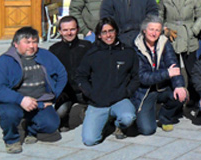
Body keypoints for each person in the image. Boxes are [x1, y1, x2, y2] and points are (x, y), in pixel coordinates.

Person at [0, 27, 67, 154]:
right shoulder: (3, 61)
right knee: (10, 114)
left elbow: (62, 73)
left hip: (39, 102)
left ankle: (31, 129)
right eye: (27, 42)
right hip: (14, 103)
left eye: (34, 42)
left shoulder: (45, 55)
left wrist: (53, 97)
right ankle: (11, 139)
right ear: (16, 44)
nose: (32, 46)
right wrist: (20, 99)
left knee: (52, 124)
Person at [76, 18, 139, 146]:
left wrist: (127, 91)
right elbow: (80, 76)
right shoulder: (92, 53)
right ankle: (100, 121)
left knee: (128, 118)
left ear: (116, 32)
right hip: (98, 101)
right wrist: (90, 93)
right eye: (104, 32)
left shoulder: (127, 52)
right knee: (90, 140)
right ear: (99, 35)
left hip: (119, 99)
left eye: (111, 31)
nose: (108, 35)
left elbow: (136, 76)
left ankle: (118, 125)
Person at [158, 0, 201, 110]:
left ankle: (194, 98)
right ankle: (174, 101)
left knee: (192, 71)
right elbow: (160, 15)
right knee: (173, 69)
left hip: (188, 35)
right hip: (171, 36)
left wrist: (193, 30)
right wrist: (164, 29)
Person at [132, 15, 187, 135]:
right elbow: (143, 77)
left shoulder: (164, 43)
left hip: (162, 87)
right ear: (144, 30)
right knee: (147, 130)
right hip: (145, 91)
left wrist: (179, 86)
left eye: (157, 30)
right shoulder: (136, 46)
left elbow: (174, 66)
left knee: (182, 94)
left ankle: (165, 118)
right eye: (151, 29)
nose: (154, 33)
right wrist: (167, 73)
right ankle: (140, 115)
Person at [49, 16, 92, 132]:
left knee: (94, 119)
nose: (69, 33)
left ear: (77, 29)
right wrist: (58, 91)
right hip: (66, 92)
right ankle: (64, 119)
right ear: (59, 31)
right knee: (59, 115)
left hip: (84, 90)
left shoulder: (87, 46)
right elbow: (50, 75)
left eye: (72, 29)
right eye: (65, 30)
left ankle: (87, 111)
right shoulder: (54, 50)